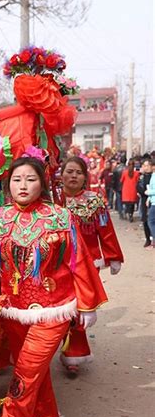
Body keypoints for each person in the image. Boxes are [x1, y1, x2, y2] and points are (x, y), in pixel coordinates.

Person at [0, 157, 107, 417]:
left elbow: (79, 261)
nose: (23, 186)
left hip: (54, 308)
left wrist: (87, 303)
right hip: (13, 309)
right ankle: (46, 416)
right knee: (30, 369)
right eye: (17, 180)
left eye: (30, 179)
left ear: (43, 183)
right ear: (7, 184)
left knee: (27, 367)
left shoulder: (60, 217)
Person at [58, 156, 123, 375]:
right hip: (56, 265)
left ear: (85, 177)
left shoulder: (95, 201)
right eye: (69, 171)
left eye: (78, 172)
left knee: (78, 310)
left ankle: (73, 353)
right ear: (61, 175)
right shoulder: (51, 200)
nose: (73, 176)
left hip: (87, 265)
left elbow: (106, 230)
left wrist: (112, 256)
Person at [137, 159, 153, 247]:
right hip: (144, 200)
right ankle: (148, 239)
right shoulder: (142, 177)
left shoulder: (153, 176)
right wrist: (143, 192)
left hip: (152, 200)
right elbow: (138, 186)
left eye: (147, 166)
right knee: (145, 220)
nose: (146, 168)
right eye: (144, 166)